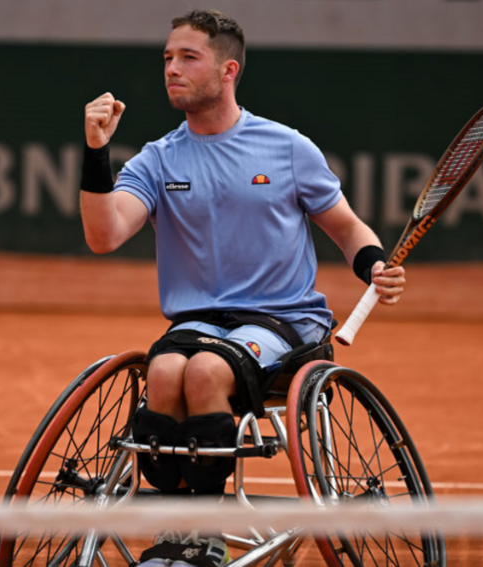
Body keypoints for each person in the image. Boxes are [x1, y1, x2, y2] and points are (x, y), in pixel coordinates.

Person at [80, 9, 405, 567]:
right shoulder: (158, 159)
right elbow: (104, 234)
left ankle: (203, 536)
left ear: (228, 70)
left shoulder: (286, 148)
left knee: (206, 371)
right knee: (162, 371)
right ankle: (176, 532)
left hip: (284, 323)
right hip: (197, 323)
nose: (172, 69)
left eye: (188, 58)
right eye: (167, 58)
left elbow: (348, 228)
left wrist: (373, 263)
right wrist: (95, 152)